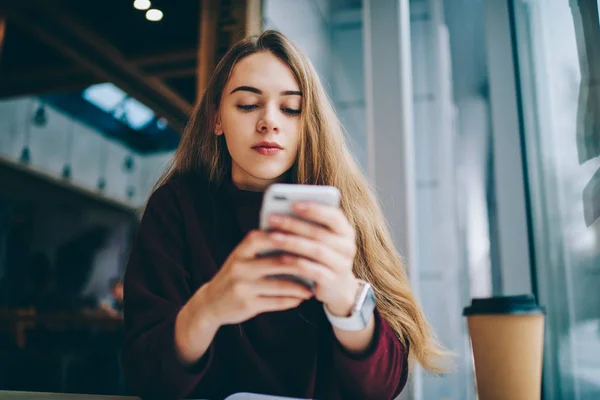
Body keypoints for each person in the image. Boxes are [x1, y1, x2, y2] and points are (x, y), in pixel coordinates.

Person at [123, 30, 445, 400]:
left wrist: (344, 296)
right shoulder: (177, 207)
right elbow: (145, 375)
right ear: (217, 119)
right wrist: (208, 308)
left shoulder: (345, 212)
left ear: (308, 124)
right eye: (247, 105)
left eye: (291, 109)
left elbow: (383, 389)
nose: (269, 122)